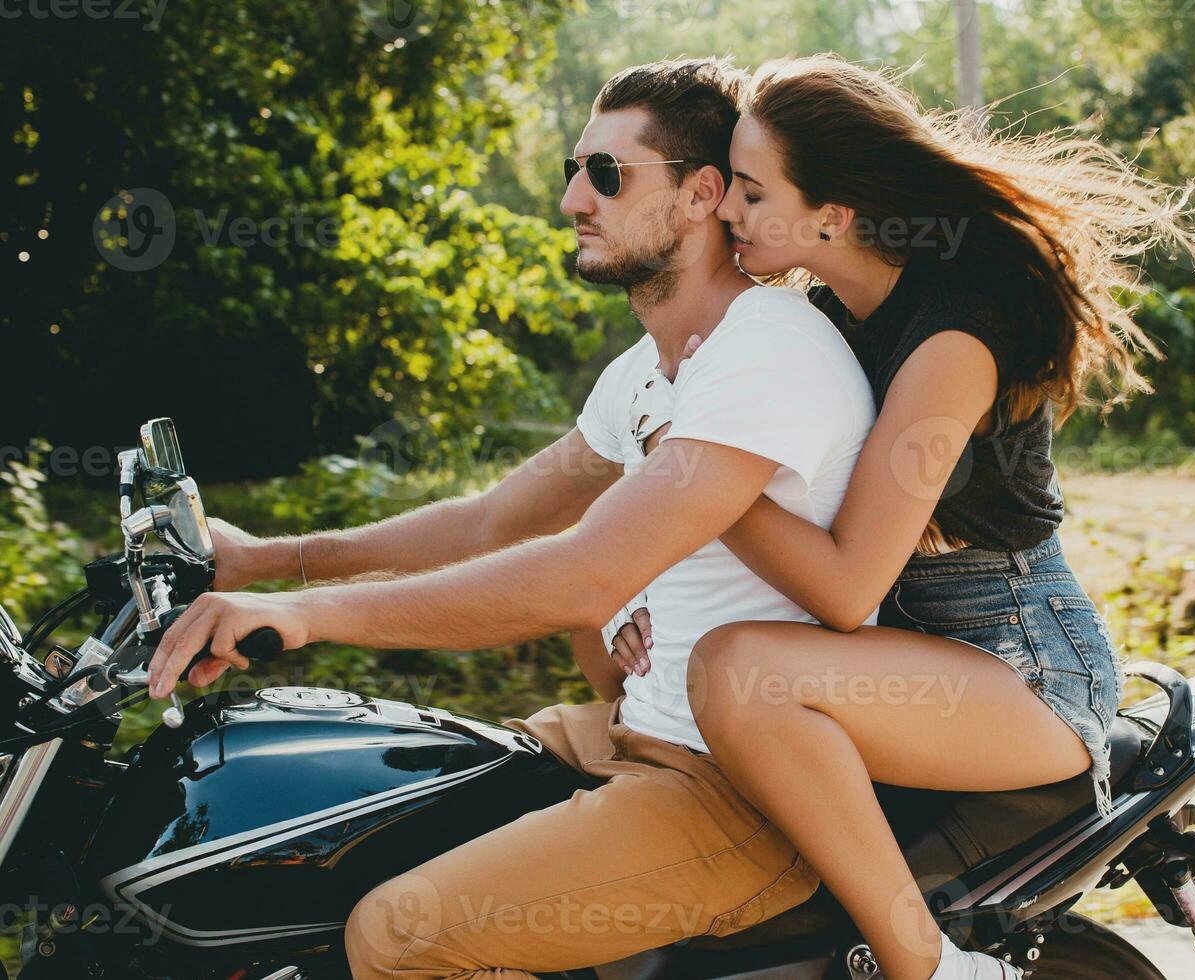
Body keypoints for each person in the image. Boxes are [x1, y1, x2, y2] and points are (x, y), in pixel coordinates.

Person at [145, 58, 880, 978]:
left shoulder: (762, 350)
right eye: (571, 171)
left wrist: (306, 619)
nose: (575, 196)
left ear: (702, 194)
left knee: (397, 933)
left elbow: (582, 573)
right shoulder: (647, 368)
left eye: (607, 174)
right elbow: (493, 521)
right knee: (344, 818)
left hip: (736, 793)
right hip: (622, 732)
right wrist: (267, 563)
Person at [600, 54, 1195, 980]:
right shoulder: (824, 318)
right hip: (910, 649)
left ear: (833, 217)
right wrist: (634, 591)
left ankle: (930, 967)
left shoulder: (955, 335)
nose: (728, 209)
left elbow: (846, 587)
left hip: (1019, 667)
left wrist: (691, 479)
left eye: (754, 193)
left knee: (741, 672)